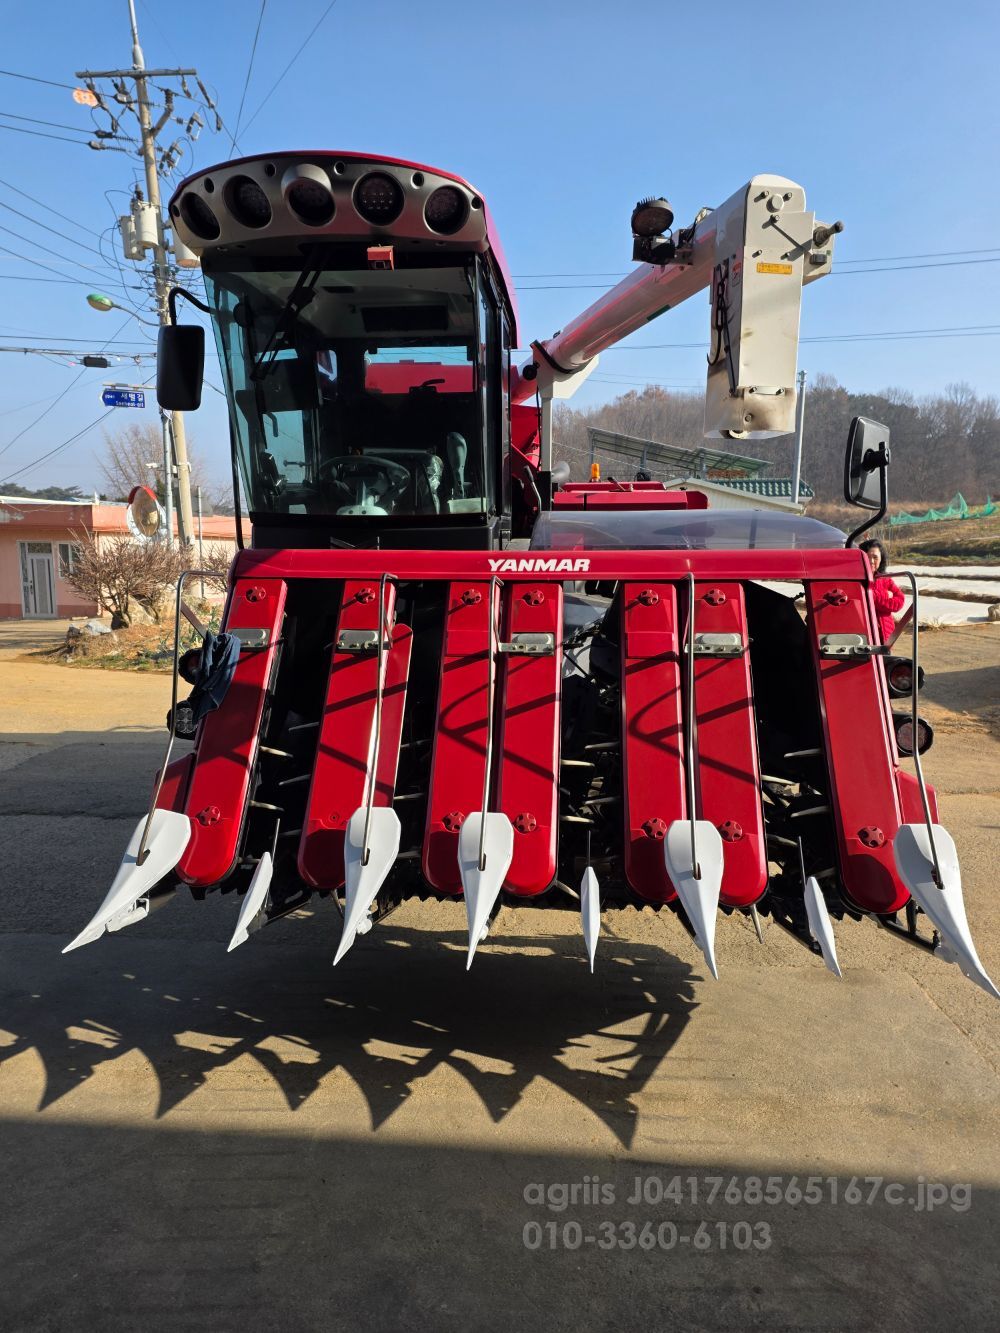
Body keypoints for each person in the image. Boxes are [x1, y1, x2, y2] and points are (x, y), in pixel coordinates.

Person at [859, 538, 905, 642]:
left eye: (875, 557)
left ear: (881, 559)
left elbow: (899, 602)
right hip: (864, 636)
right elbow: (859, 596)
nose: (871, 561)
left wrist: (871, 597)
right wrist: (885, 595)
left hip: (885, 636)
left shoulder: (886, 580)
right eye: (867, 557)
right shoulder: (856, 580)